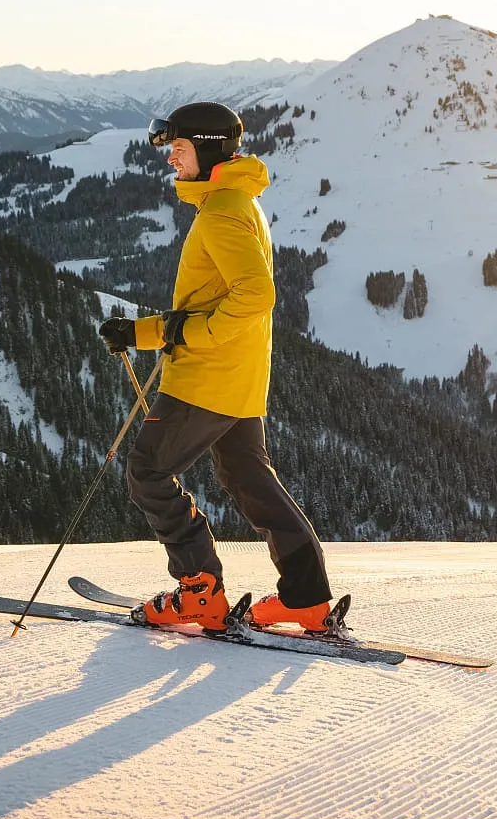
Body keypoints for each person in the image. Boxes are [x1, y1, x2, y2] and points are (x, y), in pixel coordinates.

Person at [98, 102, 335, 632]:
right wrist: (138, 334)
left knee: (148, 471)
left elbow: (255, 295)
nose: (171, 161)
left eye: (178, 150)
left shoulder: (223, 210)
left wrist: (194, 337)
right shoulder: (235, 202)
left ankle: (199, 589)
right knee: (249, 478)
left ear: (205, 150)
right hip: (239, 379)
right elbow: (208, 305)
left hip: (206, 379)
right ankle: (306, 596)